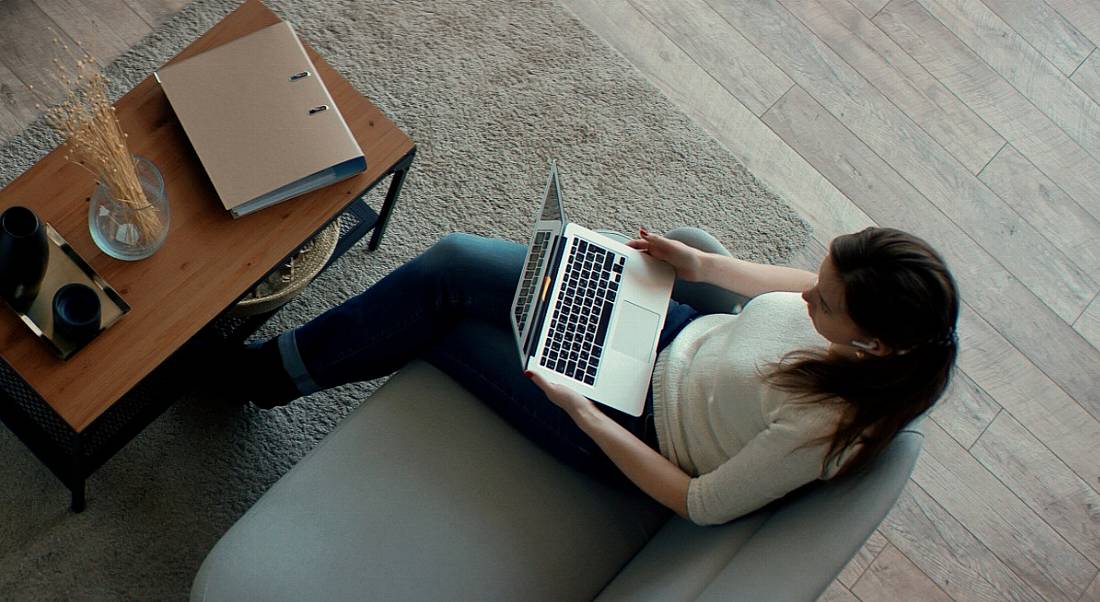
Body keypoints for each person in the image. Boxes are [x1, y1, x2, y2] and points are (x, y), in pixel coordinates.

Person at [225, 226, 959, 526]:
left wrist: (583, 414)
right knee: (453, 262)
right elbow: (794, 280)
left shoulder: (824, 427)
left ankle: (258, 379)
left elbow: (700, 502)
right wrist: (700, 266)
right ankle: (275, 366)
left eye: (823, 303)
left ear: (873, 346)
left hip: (635, 428)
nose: (805, 296)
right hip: (670, 337)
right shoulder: (852, 305)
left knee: (448, 326)